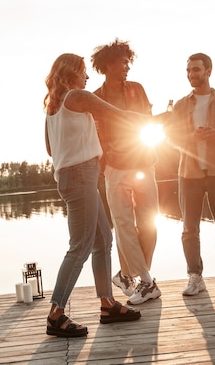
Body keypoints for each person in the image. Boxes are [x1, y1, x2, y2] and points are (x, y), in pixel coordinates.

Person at [43, 53, 142, 338]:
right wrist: (160, 120)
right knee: (80, 246)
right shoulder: (77, 96)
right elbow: (118, 114)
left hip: (73, 175)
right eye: (84, 71)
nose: (88, 77)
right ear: (72, 73)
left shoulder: (53, 107)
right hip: (80, 175)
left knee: (103, 240)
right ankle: (56, 314)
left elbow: (51, 149)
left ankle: (107, 304)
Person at [90, 39, 162, 305]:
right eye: (123, 62)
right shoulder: (95, 97)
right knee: (123, 225)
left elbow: (148, 120)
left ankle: (127, 275)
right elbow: (95, 133)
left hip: (144, 162)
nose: (127, 66)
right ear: (108, 65)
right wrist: (103, 165)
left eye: (128, 61)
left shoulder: (137, 89)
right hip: (115, 168)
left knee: (149, 223)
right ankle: (145, 280)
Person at [167, 52, 215, 296]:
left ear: (208, 71)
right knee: (190, 229)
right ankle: (195, 278)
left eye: (196, 70)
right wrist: (191, 138)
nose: (191, 74)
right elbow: (171, 139)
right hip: (189, 174)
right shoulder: (179, 106)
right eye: (189, 70)